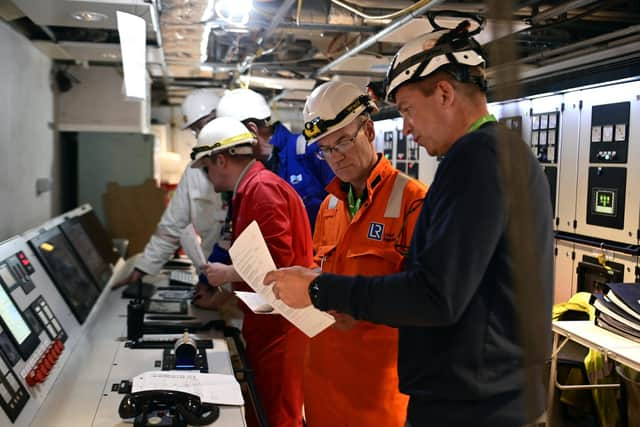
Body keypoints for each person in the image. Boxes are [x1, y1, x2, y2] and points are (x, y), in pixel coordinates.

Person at [264, 22, 553, 427]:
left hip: (474, 409)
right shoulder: (502, 155)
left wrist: (318, 288)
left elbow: (435, 295)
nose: (406, 128)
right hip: (481, 401)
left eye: (406, 110)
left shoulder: (475, 160)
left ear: (445, 93)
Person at [299, 80, 427, 426]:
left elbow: (427, 301)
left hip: (378, 394)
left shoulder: (412, 201)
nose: (335, 157)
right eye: (324, 149)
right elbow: (319, 272)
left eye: (342, 141)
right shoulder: (327, 206)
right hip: (322, 384)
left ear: (368, 130)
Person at [191, 116, 312, 427]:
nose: (207, 176)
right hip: (267, 323)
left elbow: (278, 267)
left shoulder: (261, 191)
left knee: (277, 416)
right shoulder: (252, 190)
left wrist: (227, 274)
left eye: (206, 167)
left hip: (280, 328)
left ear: (221, 160)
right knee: (263, 413)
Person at [115, 89, 228, 289]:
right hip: (212, 278)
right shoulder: (194, 172)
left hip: (244, 282)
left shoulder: (253, 169)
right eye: (196, 130)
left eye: (204, 125)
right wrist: (143, 269)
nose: (201, 134)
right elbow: (171, 228)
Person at [216, 88, 334, 231]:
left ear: (252, 131)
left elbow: (345, 208)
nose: (229, 151)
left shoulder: (308, 152)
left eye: (230, 141)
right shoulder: (247, 175)